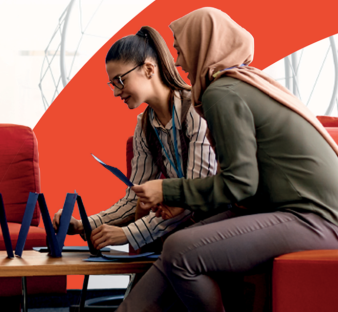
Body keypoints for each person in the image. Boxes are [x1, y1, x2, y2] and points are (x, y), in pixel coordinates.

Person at [36, 7, 338, 312]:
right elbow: (241, 184)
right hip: (284, 210)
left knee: (180, 249)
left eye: (182, 48)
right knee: (177, 248)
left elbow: (239, 184)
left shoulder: (221, 93)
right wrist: (164, 202)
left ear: (205, 44)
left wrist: (167, 190)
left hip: (313, 220)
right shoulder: (235, 84)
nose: (179, 59)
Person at [52, 26, 217, 254]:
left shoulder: (195, 110)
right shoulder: (145, 124)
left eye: (120, 80)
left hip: (214, 220)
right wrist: (85, 224)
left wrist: (128, 234)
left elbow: (196, 194)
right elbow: (133, 198)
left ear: (149, 69)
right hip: (178, 225)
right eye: (112, 83)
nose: (115, 92)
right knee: (143, 206)